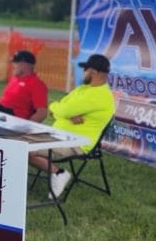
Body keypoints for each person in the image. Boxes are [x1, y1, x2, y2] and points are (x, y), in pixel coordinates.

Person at [29, 53, 115, 198]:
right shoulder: (83, 89)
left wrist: (63, 111)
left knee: (23, 149)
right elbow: (55, 108)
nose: (83, 72)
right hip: (58, 136)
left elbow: (62, 109)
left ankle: (58, 173)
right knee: (18, 142)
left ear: (94, 72)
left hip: (75, 143)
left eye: (85, 69)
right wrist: (66, 113)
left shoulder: (99, 95)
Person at [0, 50, 49, 122]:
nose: (13, 65)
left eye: (15, 62)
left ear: (25, 65)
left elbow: (42, 113)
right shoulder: (15, 79)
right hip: (3, 113)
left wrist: (26, 127)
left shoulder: (36, 84)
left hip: (15, 117)